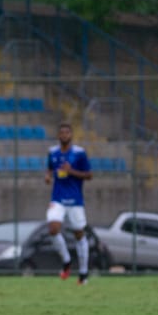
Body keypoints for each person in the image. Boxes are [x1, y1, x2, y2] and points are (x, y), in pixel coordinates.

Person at [45, 122, 93, 284]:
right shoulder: (52, 152)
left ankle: (83, 273)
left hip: (75, 200)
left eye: (67, 132)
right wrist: (48, 175)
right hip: (58, 198)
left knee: (79, 234)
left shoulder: (79, 153)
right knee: (53, 228)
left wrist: (71, 171)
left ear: (71, 135)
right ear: (58, 136)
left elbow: (89, 175)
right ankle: (66, 261)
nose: (64, 135)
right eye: (62, 132)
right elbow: (50, 168)